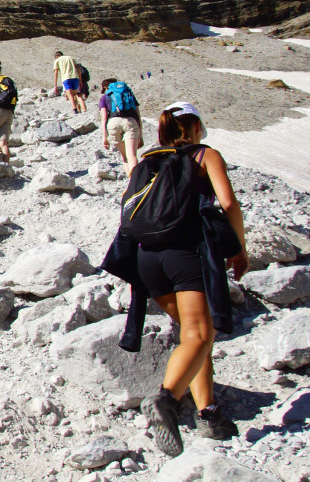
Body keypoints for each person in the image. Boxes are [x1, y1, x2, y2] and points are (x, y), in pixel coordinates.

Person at [103, 102, 248, 457]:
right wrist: (239, 249)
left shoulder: (149, 160)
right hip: (186, 254)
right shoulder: (205, 155)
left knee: (193, 334)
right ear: (195, 126)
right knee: (200, 333)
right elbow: (228, 204)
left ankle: (208, 412)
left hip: (147, 258)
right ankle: (166, 399)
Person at [98, 78, 142, 174]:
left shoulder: (104, 98)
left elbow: (104, 118)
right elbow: (138, 115)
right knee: (132, 155)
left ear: (106, 87)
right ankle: (136, 182)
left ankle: (130, 182)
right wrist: (140, 135)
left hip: (113, 123)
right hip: (130, 122)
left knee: (125, 156)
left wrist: (105, 138)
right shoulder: (129, 94)